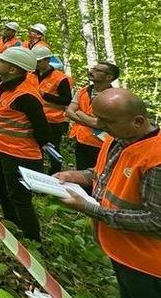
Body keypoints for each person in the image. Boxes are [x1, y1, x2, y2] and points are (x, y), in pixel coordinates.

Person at [54, 89, 161, 297]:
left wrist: (91, 209)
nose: (99, 125)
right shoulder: (117, 138)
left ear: (138, 121)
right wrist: (77, 176)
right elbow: (101, 172)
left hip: (148, 265)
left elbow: (156, 220)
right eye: (98, 118)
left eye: (107, 121)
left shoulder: (156, 160)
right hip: (121, 251)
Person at [0, 47, 53, 242]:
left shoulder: (26, 97)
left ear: (13, 70)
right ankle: (12, 223)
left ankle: (33, 243)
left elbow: (44, 132)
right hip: (1, 150)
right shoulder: (2, 86)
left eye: (3, 61)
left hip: (20, 155)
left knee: (21, 199)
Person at [65, 61, 119, 170]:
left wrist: (79, 113)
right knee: (81, 175)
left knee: (99, 176)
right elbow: (69, 112)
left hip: (102, 145)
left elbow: (100, 124)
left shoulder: (115, 97)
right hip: (81, 142)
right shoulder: (83, 91)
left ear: (109, 77)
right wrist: (91, 121)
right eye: (93, 69)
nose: (91, 71)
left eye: (97, 70)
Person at [34, 46, 73, 174]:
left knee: (53, 149)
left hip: (54, 120)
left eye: (40, 61)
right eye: (36, 61)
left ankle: (55, 174)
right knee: (35, 147)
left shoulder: (60, 78)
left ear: (48, 60)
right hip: (35, 118)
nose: (37, 64)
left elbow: (67, 100)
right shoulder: (31, 75)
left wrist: (45, 95)